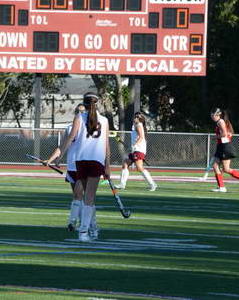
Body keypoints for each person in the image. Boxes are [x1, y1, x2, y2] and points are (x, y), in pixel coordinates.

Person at [56, 93, 110, 242]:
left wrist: (60, 157)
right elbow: (106, 145)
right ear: (96, 104)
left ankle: (90, 229)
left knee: (85, 196)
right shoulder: (104, 120)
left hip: (80, 160)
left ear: (84, 104)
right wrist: (107, 166)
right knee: (89, 197)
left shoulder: (79, 117)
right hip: (96, 160)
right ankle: (86, 231)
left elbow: (70, 138)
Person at [44, 103, 86, 231]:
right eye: (78, 111)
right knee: (76, 196)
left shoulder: (90, 128)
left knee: (80, 195)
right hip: (72, 166)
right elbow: (62, 146)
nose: (80, 114)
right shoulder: (69, 128)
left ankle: (79, 223)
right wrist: (51, 160)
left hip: (84, 165)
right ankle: (81, 221)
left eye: (83, 112)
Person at [210, 108, 239, 192]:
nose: (211, 117)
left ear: (217, 115)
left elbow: (224, 134)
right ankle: (221, 187)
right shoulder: (220, 122)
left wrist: (215, 137)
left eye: (212, 115)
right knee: (215, 165)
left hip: (225, 147)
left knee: (226, 169)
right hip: (221, 146)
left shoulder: (220, 122)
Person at [116, 112, 157, 191]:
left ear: (139, 118)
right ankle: (122, 184)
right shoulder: (136, 125)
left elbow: (141, 137)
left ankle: (153, 184)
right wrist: (133, 146)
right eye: (134, 116)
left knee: (139, 168)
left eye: (136, 117)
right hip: (134, 150)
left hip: (138, 150)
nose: (134, 118)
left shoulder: (139, 125)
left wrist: (134, 145)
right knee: (125, 164)